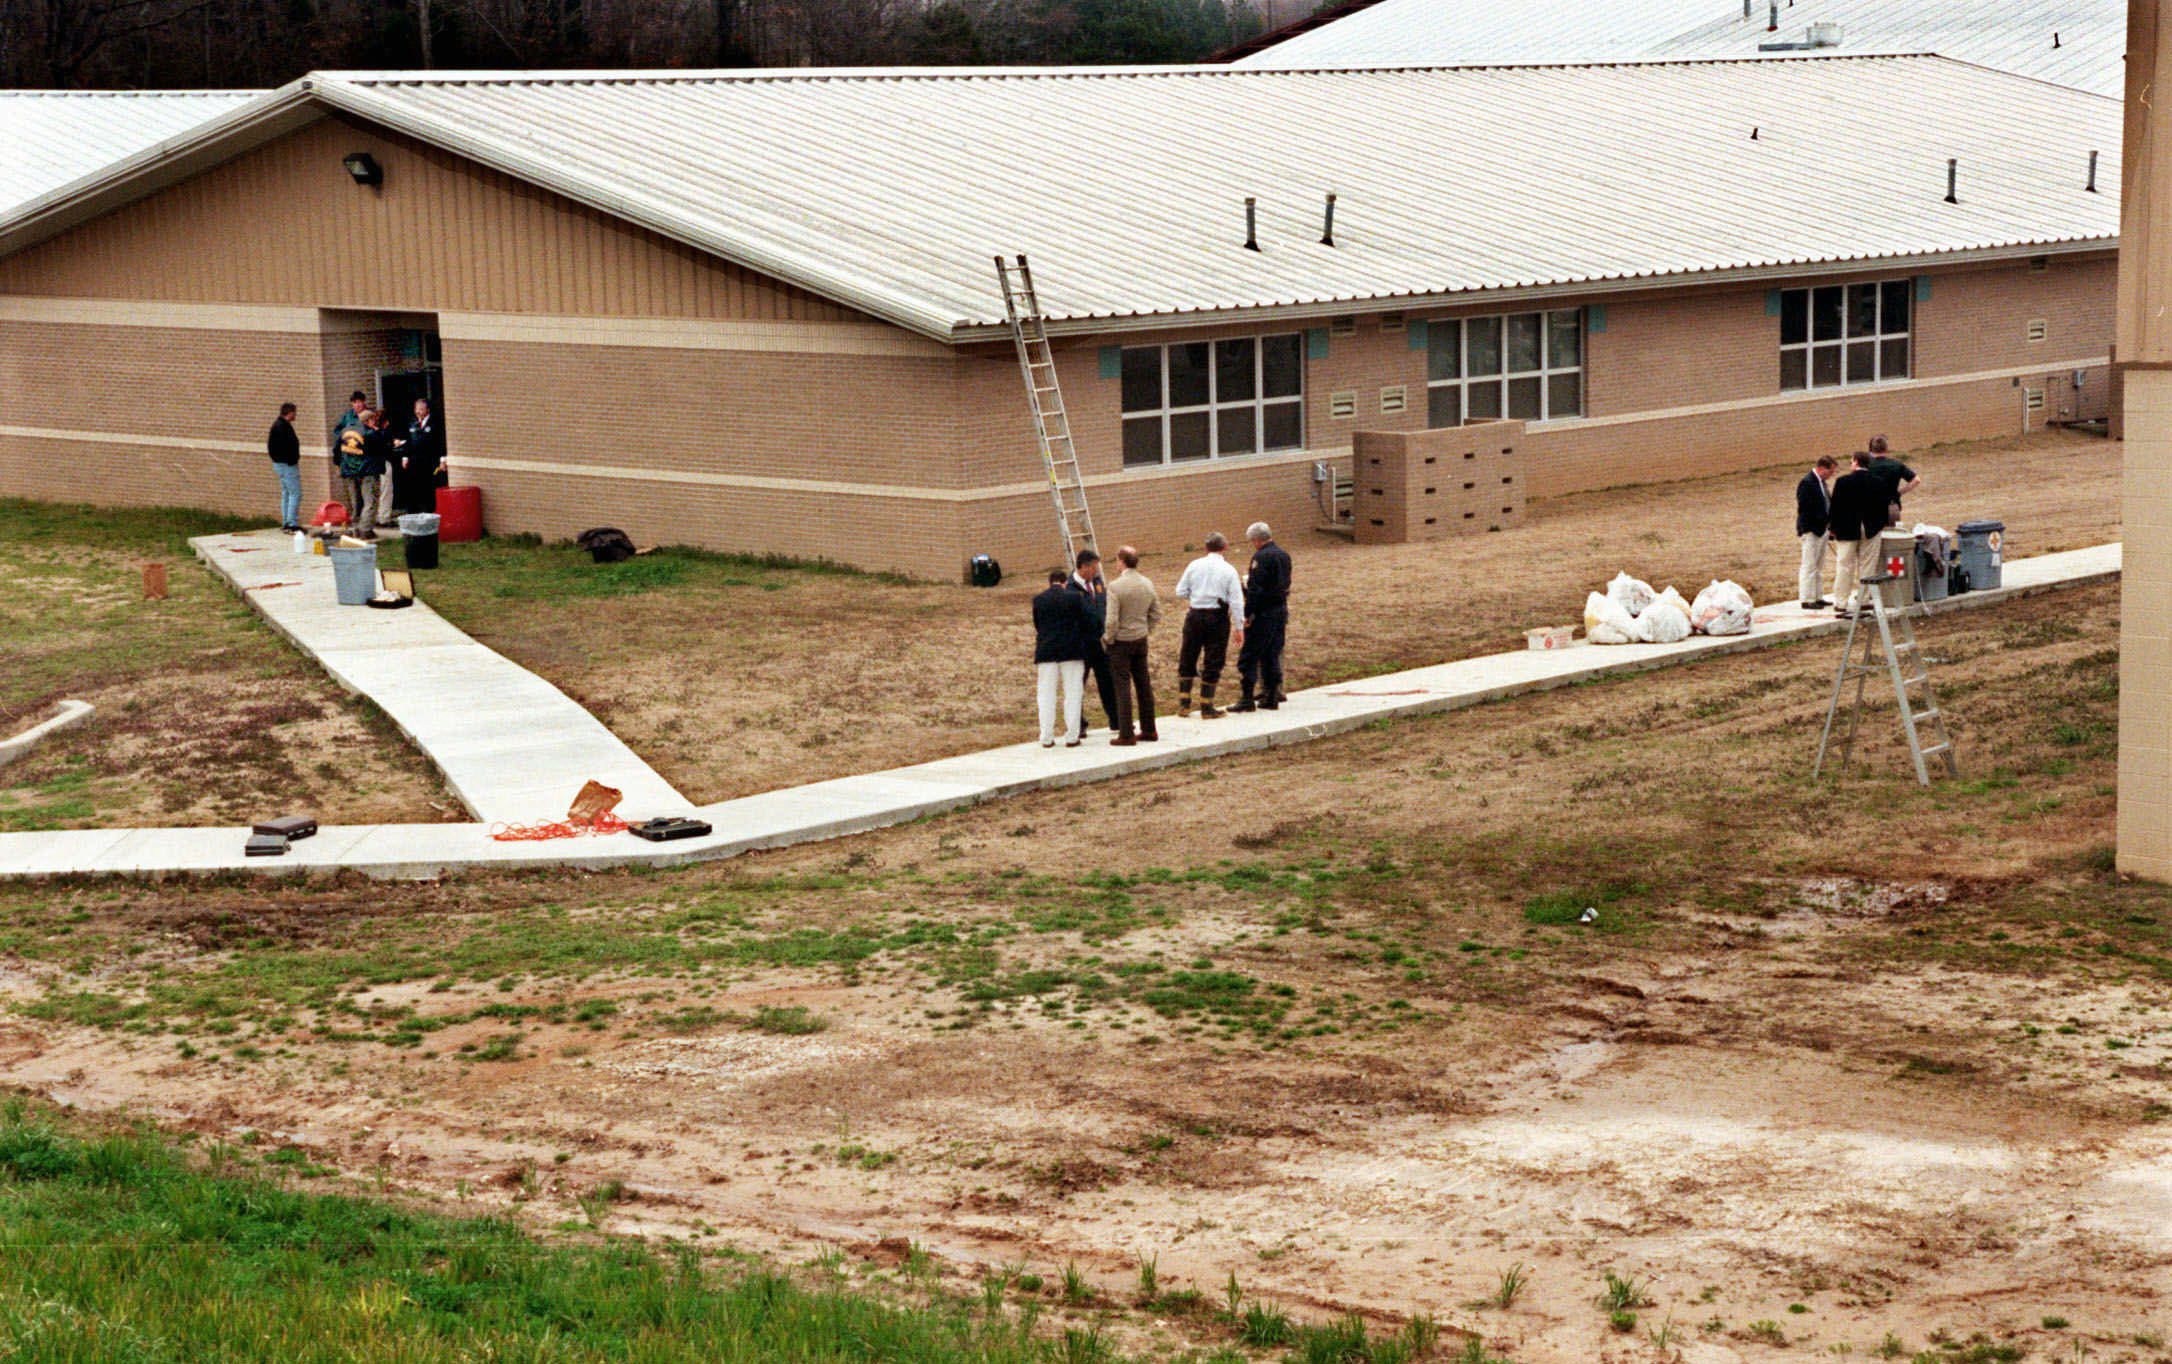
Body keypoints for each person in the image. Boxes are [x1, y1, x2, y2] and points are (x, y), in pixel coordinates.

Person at [1173, 532, 1245, 719]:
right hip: (1217, 617)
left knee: (1188, 656)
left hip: (1195, 614)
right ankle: (1206, 707)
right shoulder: (1229, 570)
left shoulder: (1194, 565)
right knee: (1213, 660)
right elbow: (1236, 601)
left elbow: (1180, 591)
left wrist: (1197, 597)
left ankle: (1184, 705)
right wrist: (1239, 627)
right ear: (1225, 547)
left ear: (1205, 548)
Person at [1103, 545, 1161, 746]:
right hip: (1140, 639)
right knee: (1143, 684)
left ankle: (1126, 733)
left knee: (1122, 687)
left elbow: (1111, 621)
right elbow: (1156, 613)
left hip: (1121, 642)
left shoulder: (1115, 587)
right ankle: (1149, 729)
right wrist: (1146, 629)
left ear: (1121, 561)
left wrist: (1108, 638)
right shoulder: (1147, 583)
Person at [1234, 521, 1291, 712]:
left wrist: (1248, 613)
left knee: (1249, 655)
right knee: (1272, 653)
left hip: (1264, 612)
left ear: (1257, 540)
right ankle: (1272, 695)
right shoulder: (1284, 555)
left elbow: (1256, 589)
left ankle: (1246, 698)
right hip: (1280, 609)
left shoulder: (1261, 557)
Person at [1828, 451, 1887, 616]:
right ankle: (1864, 600)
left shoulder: (1843, 482)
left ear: (1856, 462)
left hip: (1847, 528)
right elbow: (1883, 507)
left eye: (1851, 461)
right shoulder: (1878, 482)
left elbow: (1836, 508)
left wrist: (1832, 528)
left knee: (1845, 565)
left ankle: (1841, 602)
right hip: (1871, 528)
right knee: (1868, 565)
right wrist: (1879, 525)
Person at [1068, 549, 1120, 731]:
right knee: (1077, 686)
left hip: (1100, 644)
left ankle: (1116, 720)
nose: (1096, 572)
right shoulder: (1070, 588)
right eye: (1093, 568)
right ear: (1083, 567)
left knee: (1108, 683)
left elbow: (1103, 605)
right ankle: (1078, 725)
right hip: (1081, 645)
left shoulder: (1097, 583)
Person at [1795, 454, 1837, 610]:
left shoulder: (1822, 483)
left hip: (1823, 529)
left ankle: (1818, 596)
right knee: (1809, 565)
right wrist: (1812, 527)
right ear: (1821, 468)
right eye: (1830, 471)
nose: (1831, 475)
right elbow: (1805, 508)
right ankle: (1807, 598)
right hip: (1812, 530)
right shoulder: (1807, 483)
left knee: (1818, 566)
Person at [393, 397, 445, 515]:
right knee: (413, 487)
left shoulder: (435, 423)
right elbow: (407, 441)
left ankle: (429, 512)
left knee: (428, 488)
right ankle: (413, 513)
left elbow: (440, 442)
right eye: (416, 409)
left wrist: (442, 460)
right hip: (414, 461)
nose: (418, 412)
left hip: (429, 461)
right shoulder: (412, 422)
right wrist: (405, 457)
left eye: (421, 409)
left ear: (427, 410)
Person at [334, 412, 377, 535]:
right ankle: (365, 530)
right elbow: (378, 451)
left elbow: (337, 450)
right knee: (370, 501)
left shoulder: (345, 431)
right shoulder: (369, 433)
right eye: (373, 419)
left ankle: (355, 528)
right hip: (366, 471)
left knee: (355, 502)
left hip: (348, 471)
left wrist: (338, 466)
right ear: (368, 420)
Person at [1864, 435, 1920, 528]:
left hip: (1869, 508)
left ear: (1870, 449)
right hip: (1891, 506)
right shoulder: (1896, 464)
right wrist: (1899, 493)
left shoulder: (1865, 465)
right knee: (1892, 537)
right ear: (1886, 448)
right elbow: (1916, 480)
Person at [267, 401, 302, 532]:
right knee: (295, 493)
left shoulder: (277, 425)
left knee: (286, 493)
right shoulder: (283, 427)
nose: (296, 415)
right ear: (290, 413)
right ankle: (291, 523)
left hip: (279, 464)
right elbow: (288, 446)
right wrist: (292, 459)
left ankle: (286, 521)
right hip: (287, 465)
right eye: (294, 413)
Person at [330, 390, 368, 502]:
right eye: (355, 402)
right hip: (349, 458)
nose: (358, 405)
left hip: (363, 458)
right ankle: (355, 513)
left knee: (365, 489)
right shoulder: (347, 417)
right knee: (352, 489)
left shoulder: (368, 416)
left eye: (360, 402)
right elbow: (338, 433)